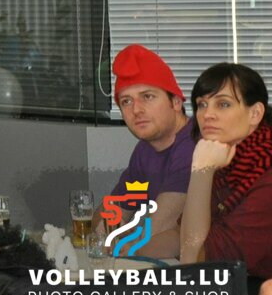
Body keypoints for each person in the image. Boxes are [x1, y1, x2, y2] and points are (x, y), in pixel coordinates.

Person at [179, 63, 272, 282]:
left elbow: (194, 262)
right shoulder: (226, 160)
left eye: (223, 104)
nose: (207, 115)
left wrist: (201, 171)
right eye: (202, 104)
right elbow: (183, 235)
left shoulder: (266, 172)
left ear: (255, 113)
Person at [98, 44, 192, 257]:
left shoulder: (194, 144)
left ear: (176, 102)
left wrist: (113, 239)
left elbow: (156, 229)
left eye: (147, 96)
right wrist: (105, 233)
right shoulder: (145, 149)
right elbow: (113, 214)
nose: (136, 110)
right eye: (126, 101)